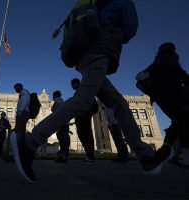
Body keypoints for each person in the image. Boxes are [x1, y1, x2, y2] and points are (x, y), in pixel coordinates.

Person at [10, 0, 172, 183]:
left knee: (119, 104)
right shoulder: (120, 2)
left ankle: (146, 156)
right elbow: (130, 29)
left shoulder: (92, 4)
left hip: (85, 57)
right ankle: (29, 143)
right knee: (83, 101)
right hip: (99, 53)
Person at [136, 42, 189, 166]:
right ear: (171, 49)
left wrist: (152, 92)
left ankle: (167, 151)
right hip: (176, 95)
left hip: (161, 99)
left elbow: (139, 77)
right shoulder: (171, 57)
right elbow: (178, 71)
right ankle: (184, 156)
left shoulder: (155, 63)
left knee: (178, 121)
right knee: (184, 120)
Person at [71, 78, 98, 163]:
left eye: (73, 84)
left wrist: (88, 113)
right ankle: (89, 155)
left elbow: (93, 104)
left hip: (84, 116)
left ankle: (90, 155)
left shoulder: (85, 91)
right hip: (80, 117)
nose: (72, 86)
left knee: (86, 135)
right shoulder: (78, 93)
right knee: (83, 135)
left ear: (77, 84)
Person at [51, 90, 70, 163]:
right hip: (65, 122)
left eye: (53, 96)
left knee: (62, 138)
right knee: (63, 137)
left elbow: (54, 110)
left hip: (61, 122)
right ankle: (64, 154)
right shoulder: (62, 101)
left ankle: (63, 155)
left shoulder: (57, 101)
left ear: (55, 95)